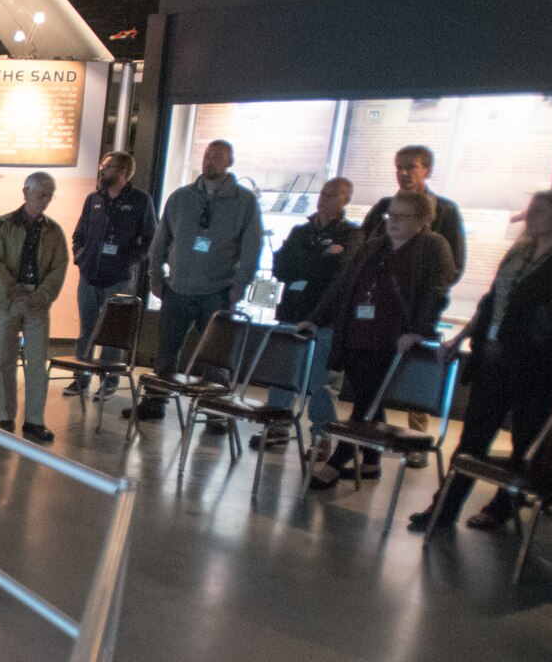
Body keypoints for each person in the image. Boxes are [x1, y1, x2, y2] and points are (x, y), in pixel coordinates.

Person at [408, 187, 552, 532]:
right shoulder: (521, 252)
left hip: (542, 364)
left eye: (541, 211)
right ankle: (445, 506)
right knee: (473, 438)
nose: (531, 216)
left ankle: (503, 505)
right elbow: (491, 301)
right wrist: (462, 336)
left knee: (525, 441)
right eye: (531, 209)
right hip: (495, 358)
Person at [302, 190, 459, 489]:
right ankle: (371, 463)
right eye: (391, 215)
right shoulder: (374, 246)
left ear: (423, 220)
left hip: (394, 341)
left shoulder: (433, 247)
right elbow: (343, 285)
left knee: (367, 404)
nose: (393, 222)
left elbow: (436, 291)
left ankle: (339, 460)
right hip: (358, 335)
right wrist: (316, 317)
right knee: (368, 399)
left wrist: (420, 330)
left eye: (402, 217)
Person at [133, 139, 263, 421]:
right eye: (206, 156)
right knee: (166, 351)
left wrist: (240, 284)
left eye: (217, 157)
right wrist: (157, 275)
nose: (209, 161)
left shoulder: (244, 202)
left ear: (229, 163)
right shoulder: (181, 198)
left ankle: (217, 413)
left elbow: (252, 247)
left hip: (217, 291)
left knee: (216, 358)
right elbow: (161, 240)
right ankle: (155, 403)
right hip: (178, 289)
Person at [356, 145, 464, 459]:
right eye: (399, 166)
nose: (404, 173)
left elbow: (452, 265)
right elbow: (364, 250)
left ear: (426, 170)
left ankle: (415, 442)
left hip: (415, 312)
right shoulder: (384, 207)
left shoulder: (444, 211)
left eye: (412, 167)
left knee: (414, 377)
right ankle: (370, 447)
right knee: (370, 384)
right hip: (378, 312)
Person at [257, 177, 360, 449]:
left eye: (332, 195)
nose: (324, 199)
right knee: (283, 373)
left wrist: (305, 261)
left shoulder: (351, 234)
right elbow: (281, 267)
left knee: (321, 382)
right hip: (292, 311)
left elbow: (340, 272)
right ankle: (278, 425)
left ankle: (322, 436)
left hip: (325, 317)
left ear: (345, 200)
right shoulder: (300, 231)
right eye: (323, 193)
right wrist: (321, 256)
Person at [0, 172, 69, 445]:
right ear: (25, 192)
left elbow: (59, 267)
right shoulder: (2, 225)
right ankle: (6, 415)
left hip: (37, 303)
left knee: (36, 362)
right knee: (4, 359)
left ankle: (34, 420)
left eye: (49, 196)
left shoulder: (54, 231)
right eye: (40, 194)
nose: (45, 201)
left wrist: (41, 296)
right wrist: (14, 291)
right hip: (5, 301)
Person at [65, 150, 154, 400]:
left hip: (119, 278)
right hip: (89, 276)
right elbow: (78, 233)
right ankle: (80, 378)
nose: (102, 170)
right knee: (86, 331)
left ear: (123, 172)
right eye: (102, 165)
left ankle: (109, 380)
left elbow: (150, 239)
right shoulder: (94, 198)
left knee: (113, 333)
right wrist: (80, 256)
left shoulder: (140, 201)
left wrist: (128, 260)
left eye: (108, 167)